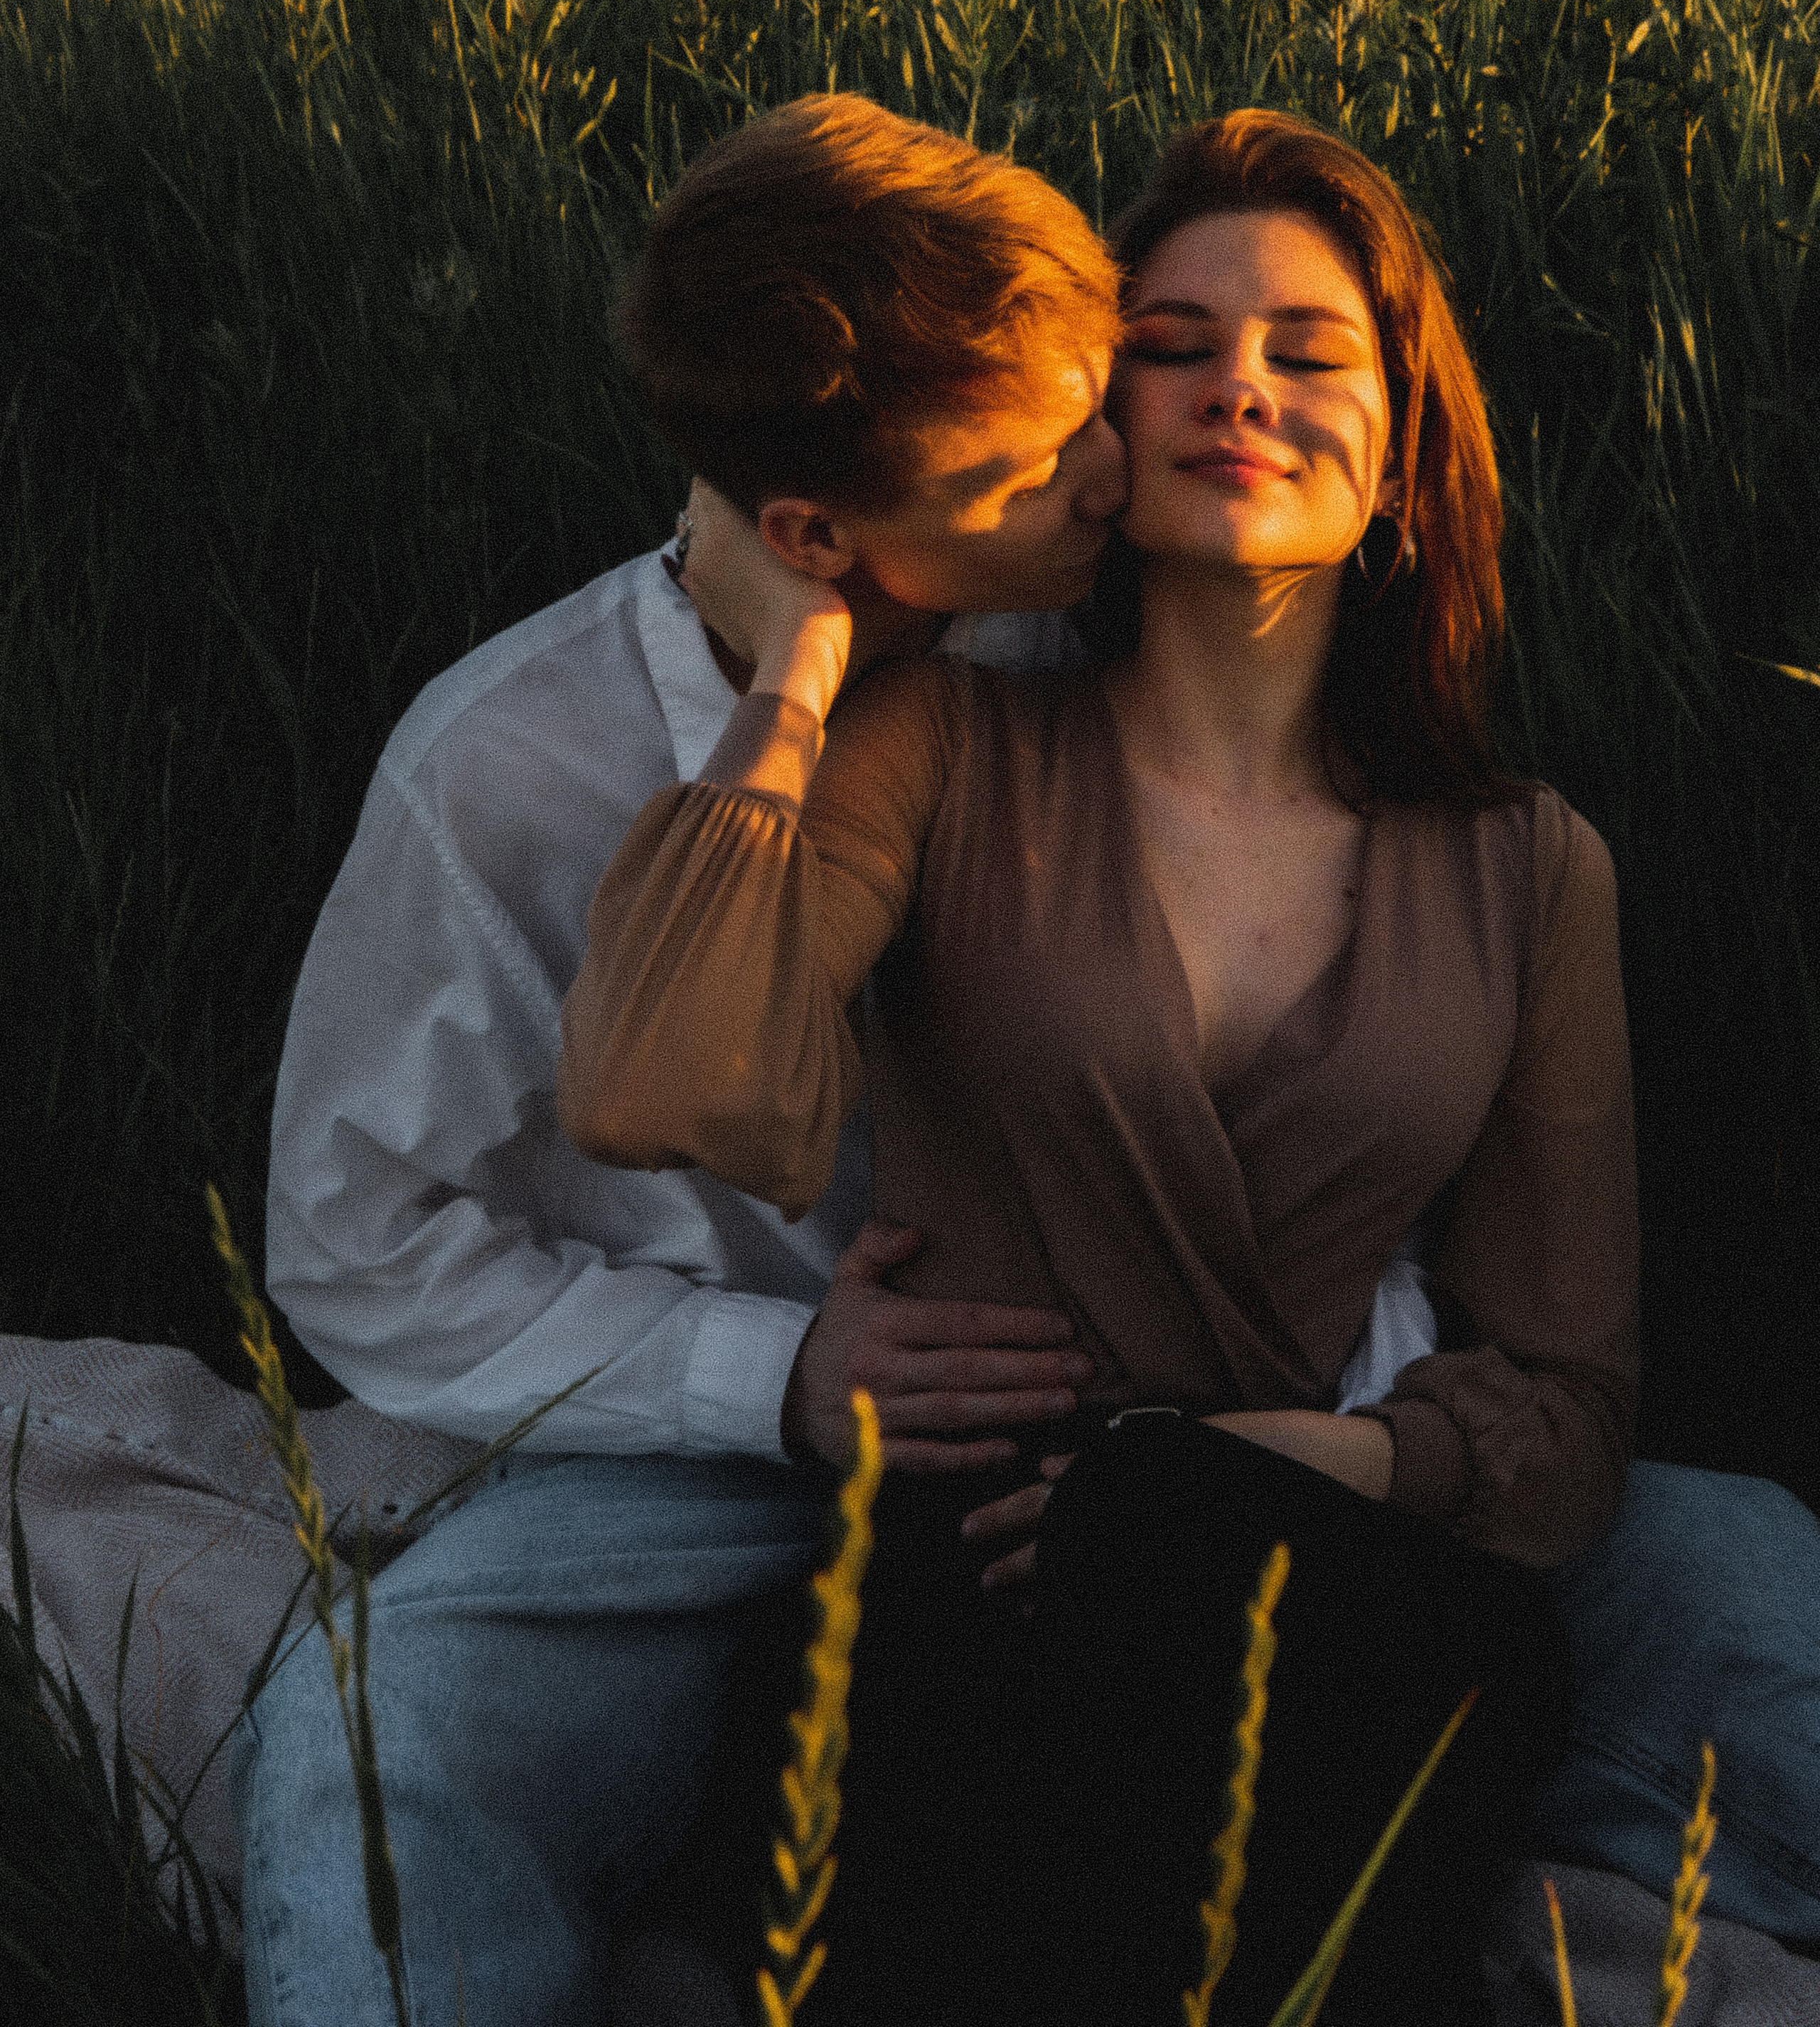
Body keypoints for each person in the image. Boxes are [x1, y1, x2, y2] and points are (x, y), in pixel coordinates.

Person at [557, 109, 1641, 2027]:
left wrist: (1304, 1459)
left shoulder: (1524, 863)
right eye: (1172, 344)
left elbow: (1566, 1397)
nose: (1240, 385)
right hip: (975, 1564)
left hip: (1319, 1561)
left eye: (1310, 354)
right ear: (1091, 430)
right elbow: (665, 1082)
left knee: (1422, 1658)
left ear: (1400, 457)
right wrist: (807, 657)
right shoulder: (948, 746)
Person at [232, 93, 1142, 2027]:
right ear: (815, 532)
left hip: (1146, 1403)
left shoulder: (1095, 650)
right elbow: (354, 1235)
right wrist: (770, 1374)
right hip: (692, 1455)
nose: (1112, 472)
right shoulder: (505, 768)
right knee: (383, 1740)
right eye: (1039, 453)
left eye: (1104, 401)